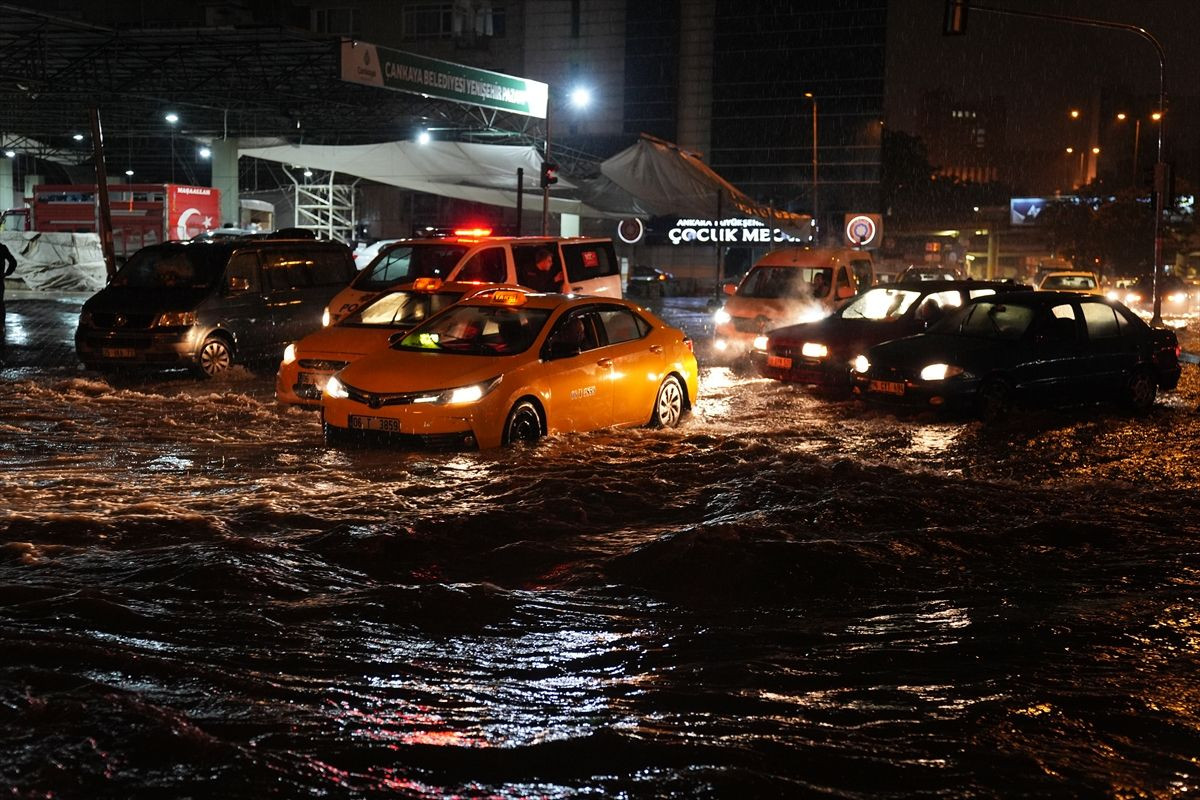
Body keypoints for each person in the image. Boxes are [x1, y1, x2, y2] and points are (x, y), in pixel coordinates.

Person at [0, 241, 16, 327]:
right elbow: (13, 262)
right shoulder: (2, 248)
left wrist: (6, 273)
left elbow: (13, 262)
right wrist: (6, 274)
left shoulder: (2, 248)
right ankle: (1, 325)